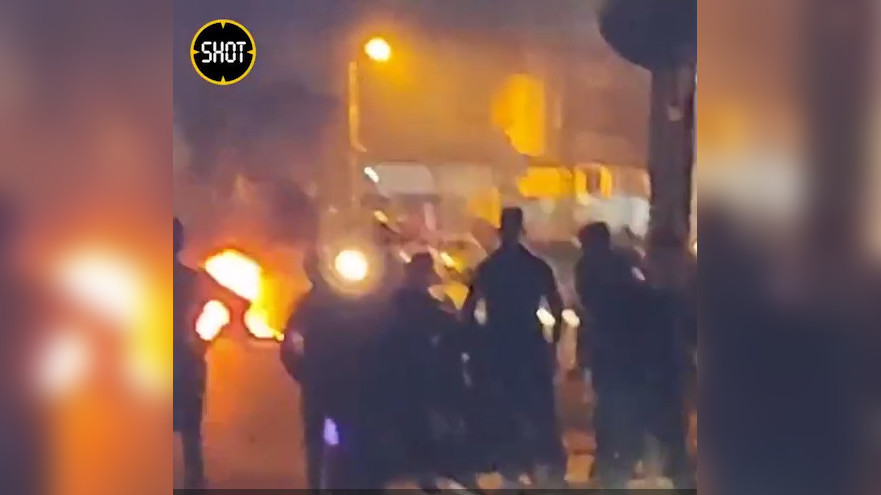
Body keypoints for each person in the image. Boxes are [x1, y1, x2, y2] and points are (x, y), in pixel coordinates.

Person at [462, 207, 567, 488]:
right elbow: (556, 308)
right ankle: (539, 469)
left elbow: (469, 310)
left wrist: (475, 342)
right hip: (528, 343)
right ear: (522, 230)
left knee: (503, 410)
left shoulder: (489, 268)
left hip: (499, 344)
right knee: (536, 410)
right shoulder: (536, 267)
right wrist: (552, 343)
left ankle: (512, 469)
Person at [281, 249, 390, 489]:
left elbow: (291, 349)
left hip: (333, 385)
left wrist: (306, 376)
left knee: (328, 443)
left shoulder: (313, 307)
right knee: (330, 443)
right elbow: (291, 348)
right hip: (337, 385)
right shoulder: (315, 307)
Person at [375, 253, 476, 489]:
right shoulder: (408, 304)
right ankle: (431, 472)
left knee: (428, 426)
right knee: (424, 426)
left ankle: (431, 471)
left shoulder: (411, 303)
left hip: (421, 374)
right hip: (417, 374)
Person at [173, 217, 247, 489]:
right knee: (189, 428)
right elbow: (238, 303)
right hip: (185, 360)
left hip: (167, 361)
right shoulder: (193, 280)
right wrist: (204, 339)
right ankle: (194, 481)